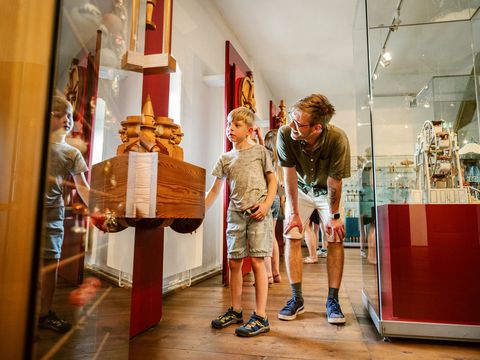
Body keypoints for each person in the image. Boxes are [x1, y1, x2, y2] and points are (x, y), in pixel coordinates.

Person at [276, 93, 350, 324]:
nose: (291, 125)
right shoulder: (286, 134)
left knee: (335, 237)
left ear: (317, 128)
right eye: (292, 118)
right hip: (299, 190)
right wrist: (295, 213)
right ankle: (296, 299)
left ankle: (333, 300)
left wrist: (334, 216)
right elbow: (288, 174)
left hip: (327, 191)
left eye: (298, 123)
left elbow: (334, 181)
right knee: (292, 234)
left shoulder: (338, 139)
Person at [205, 106, 277, 337]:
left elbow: (272, 182)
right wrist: (199, 213)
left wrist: (266, 206)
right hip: (235, 214)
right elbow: (215, 190)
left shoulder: (260, 152)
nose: (230, 129)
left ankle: (261, 316)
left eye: (236, 125)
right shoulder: (225, 158)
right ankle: (236, 311)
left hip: (258, 212)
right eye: (229, 125)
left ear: (249, 130)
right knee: (234, 262)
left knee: (257, 262)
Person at [38, 96, 90, 333]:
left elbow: (83, 188)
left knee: (50, 265)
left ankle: (45, 313)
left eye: (69, 115)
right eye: (60, 115)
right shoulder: (30, 144)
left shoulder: (72, 153)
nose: (67, 120)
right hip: (25, 215)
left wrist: (99, 210)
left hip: (53, 215)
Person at [263, 129, 284, 285]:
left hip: (267, 198)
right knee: (273, 238)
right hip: (277, 198)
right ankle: (276, 273)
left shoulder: (266, 157)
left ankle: (268, 275)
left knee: (264, 238)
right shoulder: (281, 160)